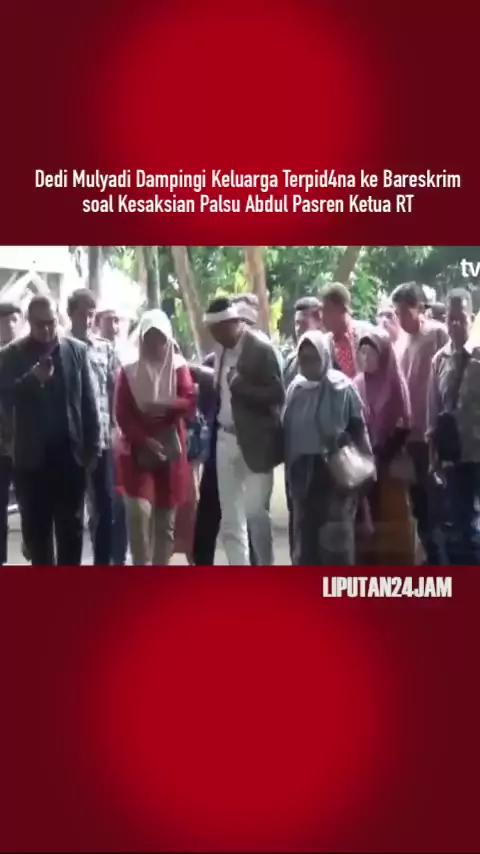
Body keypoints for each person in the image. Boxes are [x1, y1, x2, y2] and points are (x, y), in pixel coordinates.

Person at [0, 296, 101, 565]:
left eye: (51, 323)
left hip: (70, 459)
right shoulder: (11, 355)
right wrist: (33, 380)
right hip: (31, 463)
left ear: (59, 319)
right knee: (38, 538)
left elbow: (88, 403)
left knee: (71, 534)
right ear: (29, 322)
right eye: (40, 324)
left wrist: (92, 450)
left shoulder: (76, 350)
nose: (46, 330)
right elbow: (5, 399)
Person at [204, 297, 284, 565]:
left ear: (233, 323)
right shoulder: (220, 350)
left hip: (257, 443)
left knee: (255, 515)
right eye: (211, 331)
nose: (215, 336)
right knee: (231, 521)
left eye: (218, 330)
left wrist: (242, 388)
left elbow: (278, 394)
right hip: (225, 439)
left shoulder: (261, 349)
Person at [283, 330, 373, 565]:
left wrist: (366, 469)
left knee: (336, 546)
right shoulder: (295, 390)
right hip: (303, 477)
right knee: (306, 546)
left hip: (335, 475)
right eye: (303, 358)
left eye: (313, 357)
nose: (308, 363)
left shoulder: (342, 388)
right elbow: (288, 435)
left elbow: (359, 430)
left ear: (324, 355)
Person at [114, 309, 195, 565]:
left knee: (165, 523)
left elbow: (189, 401)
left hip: (169, 449)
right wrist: (143, 439)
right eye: (149, 339)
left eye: (160, 339)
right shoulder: (129, 370)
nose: (155, 345)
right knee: (138, 515)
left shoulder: (178, 367)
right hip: (138, 452)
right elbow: (122, 412)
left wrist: (165, 405)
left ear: (168, 339)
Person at [391, 282, 449, 564]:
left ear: (418, 308)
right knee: (418, 503)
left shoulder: (437, 334)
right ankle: (429, 556)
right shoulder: (401, 342)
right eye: (397, 313)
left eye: (404, 311)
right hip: (410, 434)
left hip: (432, 433)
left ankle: (445, 561)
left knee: (438, 501)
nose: (400, 318)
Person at [354, 327, 416, 564]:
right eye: (362, 352)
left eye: (371, 353)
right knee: (368, 520)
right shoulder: (357, 384)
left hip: (389, 463)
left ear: (383, 355)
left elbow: (404, 424)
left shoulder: (394, 383)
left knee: (391, 519)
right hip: (363, 463)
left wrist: (381, 454)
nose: (366, 358)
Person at [427, 289, 480, 564]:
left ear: (471, 317)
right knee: (461, 524)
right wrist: (433, 456)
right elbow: (433, 411)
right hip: (455, 456)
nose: (455, 324)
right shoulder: (439, 360)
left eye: (461, 318)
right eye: (451, 318)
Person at [67, 289, 120, 565]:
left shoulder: (105, 348)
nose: (87, 320)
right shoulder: (60, 347)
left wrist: (114, 425)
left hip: (102, 437)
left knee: (105, 505)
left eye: (91, 315)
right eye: (82, 314)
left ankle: (103, 565)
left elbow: (113, 389)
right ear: (70, 313)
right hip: (72, 440)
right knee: (72, 508)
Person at [93, 304, 129, 564]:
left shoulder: (126, 354)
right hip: (96, 437)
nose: (114, 326)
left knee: (119, 501)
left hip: (120, 437)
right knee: (99, 504)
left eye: (118, 321)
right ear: (98, 323)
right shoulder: (88, 350)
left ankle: (118, 558)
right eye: (109, 320)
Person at [0, 303, 21, 564]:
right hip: (2, 446)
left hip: (27, 441)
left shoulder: (28, 355)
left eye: (14, 320)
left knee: (34, 505)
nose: (10, 326)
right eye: (5, 321)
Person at [321, 283, 373, 378]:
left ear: (342, 309)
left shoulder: (367, 333)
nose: (322, 317)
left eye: (327, 310)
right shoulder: (325, 343)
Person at [283, 296, 323, 389]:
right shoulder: (290, 361)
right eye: (297, 323)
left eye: (304, 323)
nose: (298, 329)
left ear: (319, 323)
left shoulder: (331, 358)